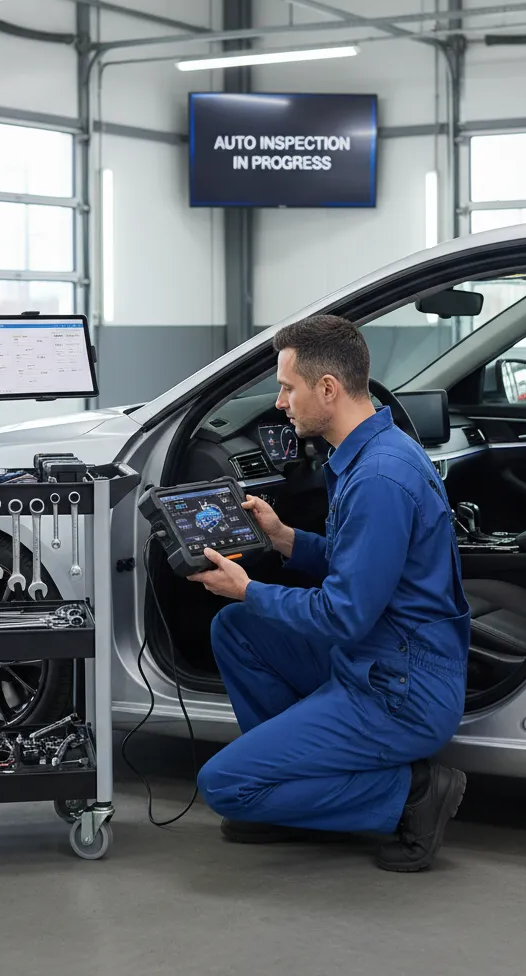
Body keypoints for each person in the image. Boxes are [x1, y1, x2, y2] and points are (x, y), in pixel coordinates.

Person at [189, 315, 471, 872]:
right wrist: (285, 539)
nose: (279, 403)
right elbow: (363, 567)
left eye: (287, 387)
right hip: (381, 657)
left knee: (224, 786)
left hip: (398, 688)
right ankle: (296, 776)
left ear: (326, 388)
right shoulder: (372, 452)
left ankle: (411, 793)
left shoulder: (378, 478)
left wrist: (248, 589)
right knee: (238, 631)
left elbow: (342, 615)